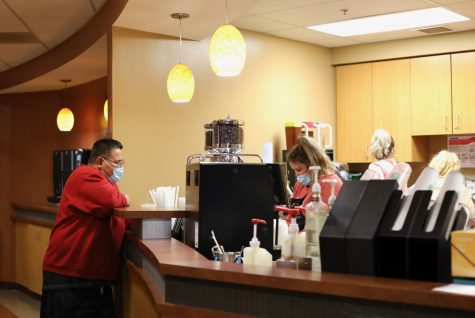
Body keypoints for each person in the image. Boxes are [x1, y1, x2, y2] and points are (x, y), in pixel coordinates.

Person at [41, 138, 130, 318]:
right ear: (100, 162)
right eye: (117, 162)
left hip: (90, 280)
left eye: (122, 162)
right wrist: (125, 199)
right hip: (70, 278)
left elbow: (116, 215)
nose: (120, 167)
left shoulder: (107, 183)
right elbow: (111, 201)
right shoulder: (86, 175)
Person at [286, 136, 343, 209]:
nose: (297, 174)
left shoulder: (329, 184)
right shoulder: (300, 184)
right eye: (294, 170)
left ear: (313, 164)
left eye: (299, 170)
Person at [428, 150, 474, 225]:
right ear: (456, 168)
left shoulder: (420, 185)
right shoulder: (460, 188)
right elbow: (471, 217)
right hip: (450, 231)